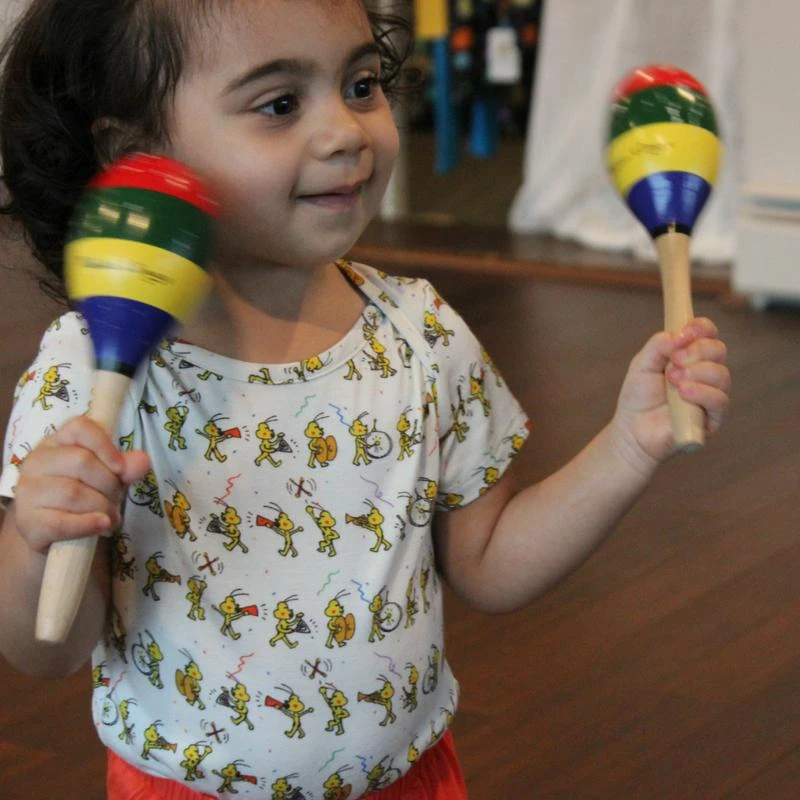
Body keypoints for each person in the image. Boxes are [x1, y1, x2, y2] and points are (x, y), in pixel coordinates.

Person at [0, 1, 731, 798]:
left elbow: (491, 564)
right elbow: (46, 650)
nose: (347, 131)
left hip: (411, 779)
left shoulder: (421, 334)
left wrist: (626, 446)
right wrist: (39, 542)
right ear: (134, 153)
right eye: (280, 103)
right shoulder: (91, 376)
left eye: (360, 84)